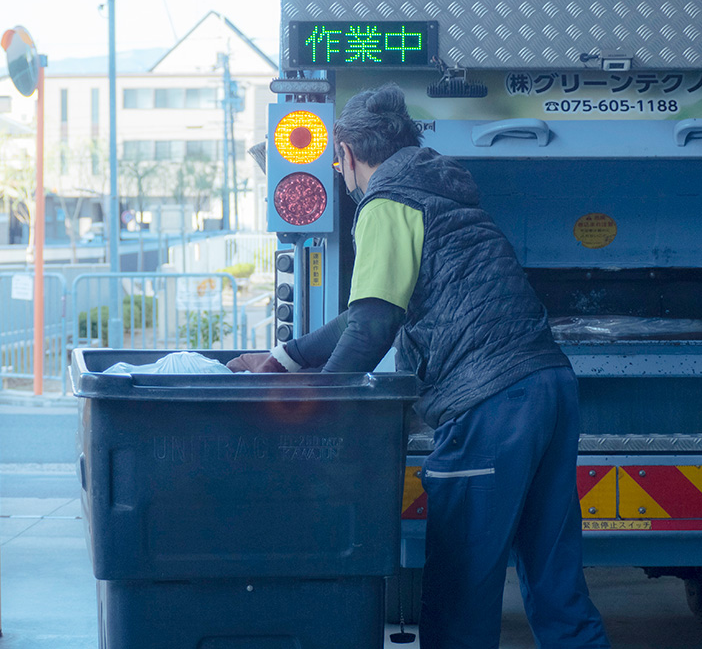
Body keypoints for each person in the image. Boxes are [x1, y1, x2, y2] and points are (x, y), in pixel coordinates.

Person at [228, 84, 610, 649]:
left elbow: (371, 328)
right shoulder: (442, 195)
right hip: (548, 386)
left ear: (350, 153)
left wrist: (318, 412)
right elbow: (369, 313)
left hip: (489, 404)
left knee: (461, 586)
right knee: (555, 578)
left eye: (338, 161)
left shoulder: (387, 204)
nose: (342, 173)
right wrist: (286, 358)